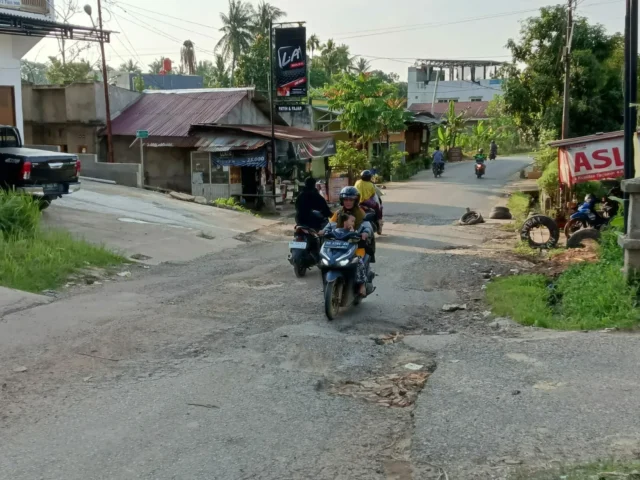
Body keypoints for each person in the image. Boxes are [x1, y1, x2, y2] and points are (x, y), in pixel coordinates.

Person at [323, 186, 374, 296]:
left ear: (356, 201)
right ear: (342, 200)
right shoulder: (338, 213)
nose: (348, 202)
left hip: (356, 244)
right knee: (326, 257)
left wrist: (365, 233)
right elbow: (330, 225)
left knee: (359, 260)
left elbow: (367, 226)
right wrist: (324, 231)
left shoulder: (360, 213)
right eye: (346, 199)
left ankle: (361, 285)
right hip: (339, 243)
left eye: (351, 200)